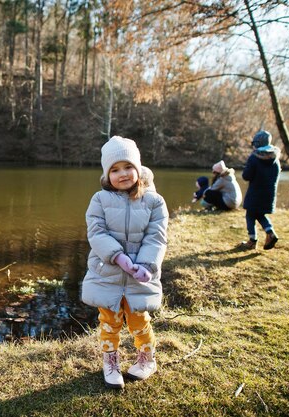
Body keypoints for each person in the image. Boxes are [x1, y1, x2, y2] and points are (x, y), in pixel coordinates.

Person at [81, 135, 169, 389]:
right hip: (106, 272)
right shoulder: (99, 200)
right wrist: (118, 256)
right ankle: (111, 362)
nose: (123, 174)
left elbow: (156, 238)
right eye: (115, 169)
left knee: (139, 321)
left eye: (128, 166)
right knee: (109, 322)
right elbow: (96, 233)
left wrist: (147, 265)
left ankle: (147, 359)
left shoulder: (154, 202)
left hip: (138, 275)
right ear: (107, 174)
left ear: (138, 169)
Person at [241, 130, 281, 250]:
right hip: (269, 193)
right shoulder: (276, 159)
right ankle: (270, 232)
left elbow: (246, 176)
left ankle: (252, 240)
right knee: (259, 214)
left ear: (258, 143)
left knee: (250, 215)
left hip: (255, 193)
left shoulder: (254, 158)